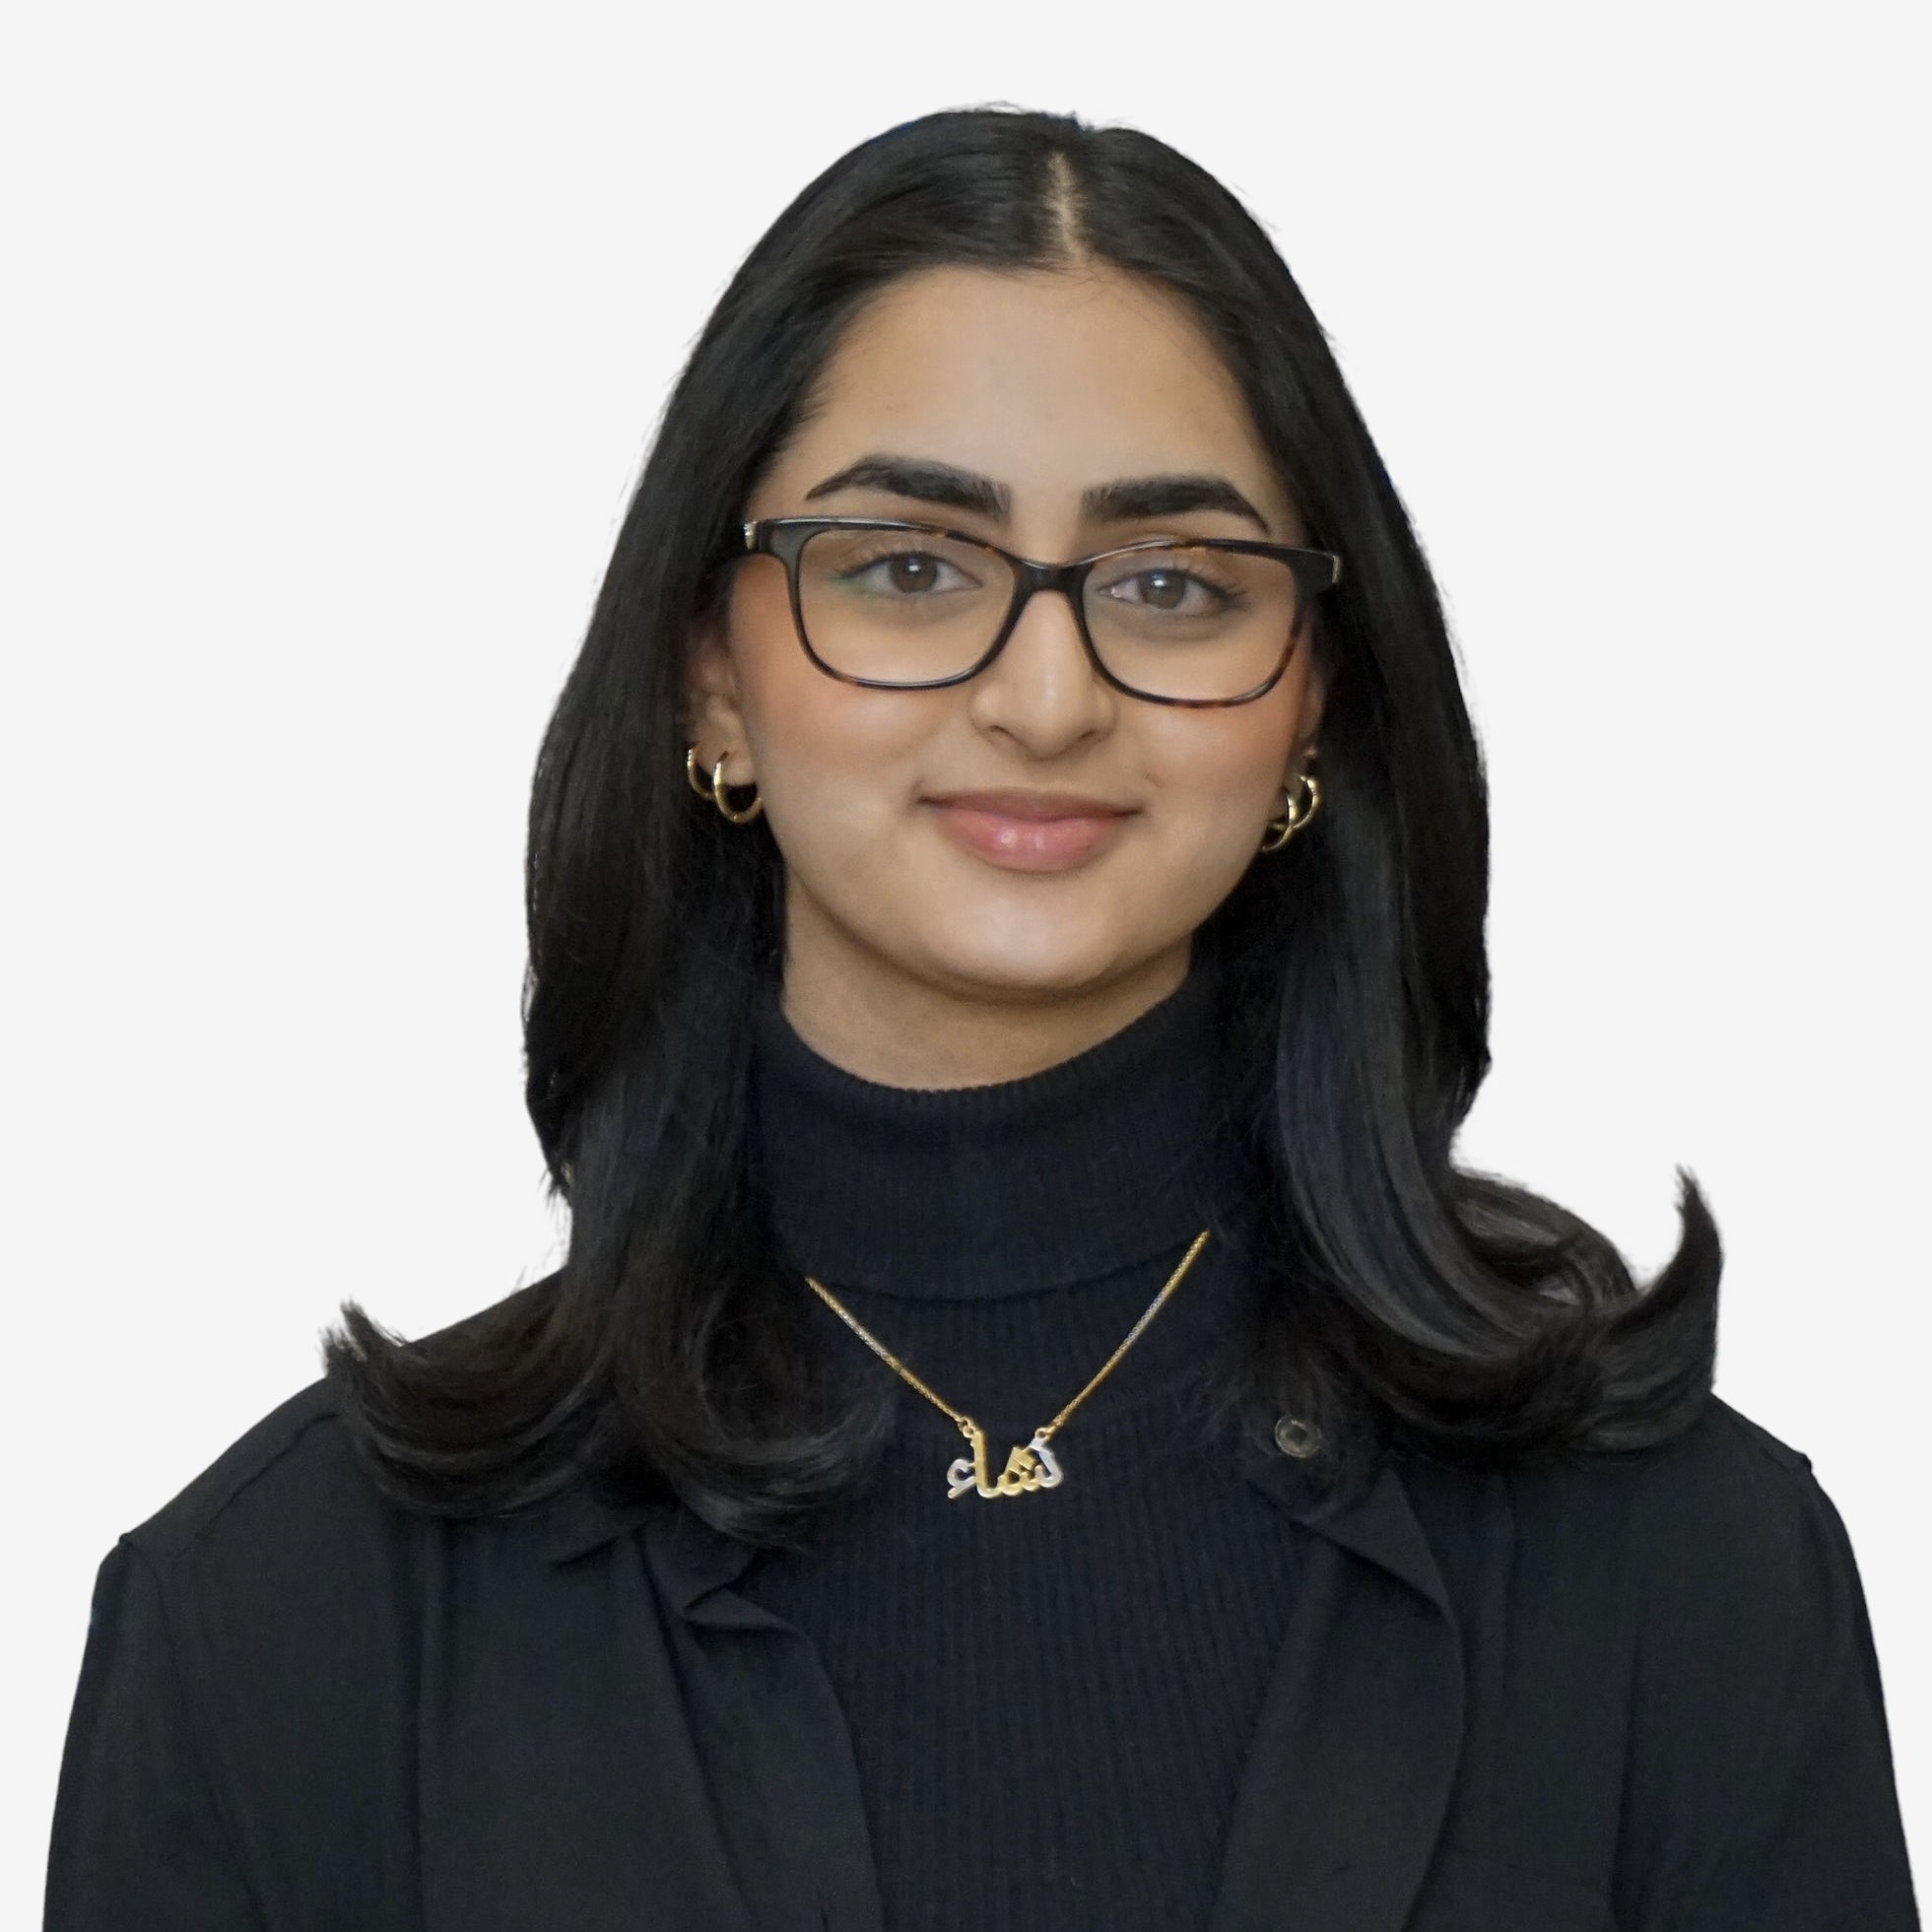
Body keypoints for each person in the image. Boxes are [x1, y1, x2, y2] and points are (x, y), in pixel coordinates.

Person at [43, 105, 1918, 1932]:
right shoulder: (283, 1616)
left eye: (1171, 584)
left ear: (1312, 706)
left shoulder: (1685, 1567)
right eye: (908, 568)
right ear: (709, 673)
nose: (1043, 695)